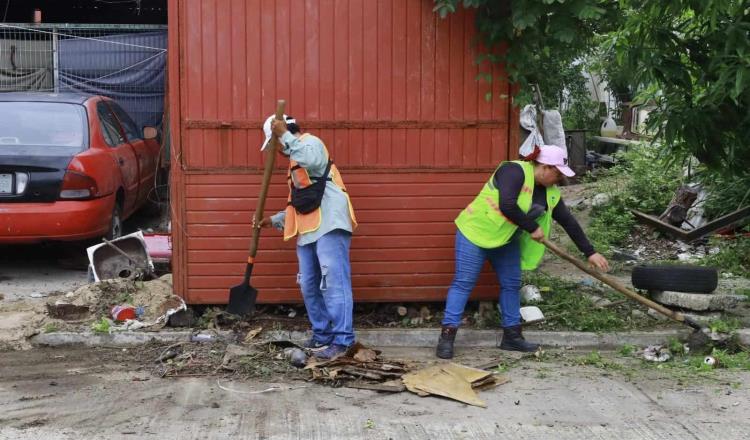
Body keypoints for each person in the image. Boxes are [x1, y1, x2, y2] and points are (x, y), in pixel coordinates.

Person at [436, 145, 610, 359]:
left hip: (506, 240)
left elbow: (568, 222)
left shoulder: (551, 194)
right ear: (545, 167)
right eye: (557, 173)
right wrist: (532, 227)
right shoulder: (514, 170)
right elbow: (507, 204)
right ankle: (447, 337)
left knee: (511, 285)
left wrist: (590, 252)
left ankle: (512, 337)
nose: (559, 180)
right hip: (475, 234)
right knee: (463, 283)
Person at [254, 114, 358, 360]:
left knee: (333, 283)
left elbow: (310, 159)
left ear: (282, 134)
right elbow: (298, 202)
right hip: (307, 229)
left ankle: (343, 341)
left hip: (330, 224)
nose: (276, 151)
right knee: (309, 285)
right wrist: (273, 220)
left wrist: (285, 135)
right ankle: (322, 335)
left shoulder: (310, 145)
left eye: (274, 144)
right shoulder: (294, 160)